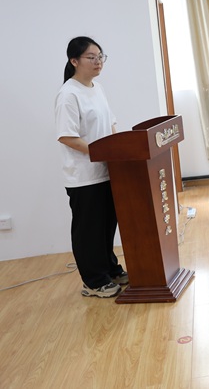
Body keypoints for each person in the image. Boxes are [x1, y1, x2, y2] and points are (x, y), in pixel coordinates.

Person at [55, 36, 128, 298]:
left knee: (107, 226)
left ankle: (109, 269)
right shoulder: (68, 94)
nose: (98, 62)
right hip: (84, 177)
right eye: (91, 57)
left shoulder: (98, 88)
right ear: (74, 61)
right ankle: (94, 282)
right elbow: (66, 136)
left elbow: (111, 123)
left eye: (100, 56)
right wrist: (101, 152)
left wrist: (117, 151)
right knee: (89, 230)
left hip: (107, 171)